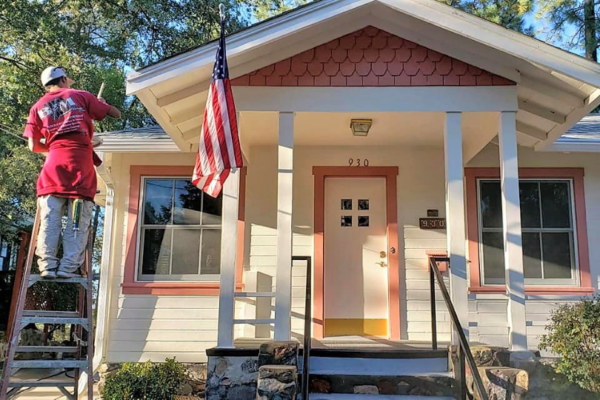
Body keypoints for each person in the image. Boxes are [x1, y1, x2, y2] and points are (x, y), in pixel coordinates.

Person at [23, 67, 121, 279]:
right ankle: (68, 268)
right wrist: (100, 104)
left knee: (50, 219)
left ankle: (47, 266)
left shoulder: (37, 107)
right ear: (64, 79)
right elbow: (116, 114)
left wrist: (57, 145)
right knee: (77, 221)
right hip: (80, 170)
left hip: (53, 170)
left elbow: (33, 145)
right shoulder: (81, 96)